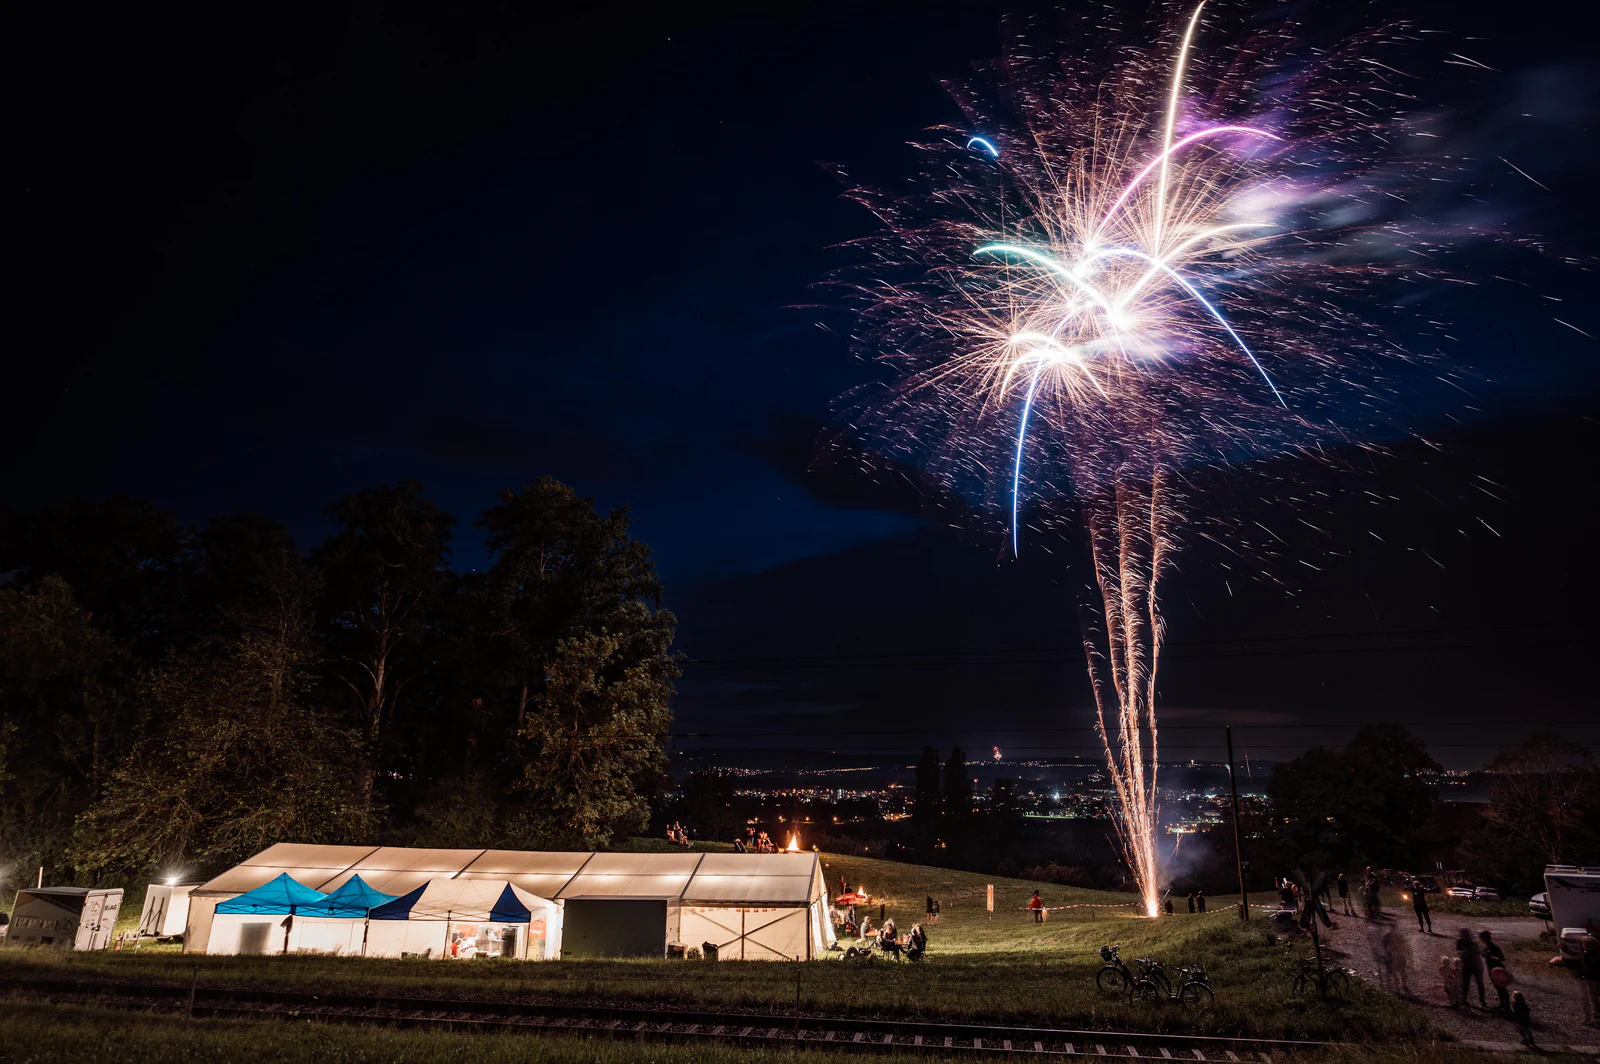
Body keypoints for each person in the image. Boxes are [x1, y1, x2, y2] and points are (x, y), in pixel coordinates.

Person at [1479, 930, 1509, 1011]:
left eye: (1481, 937)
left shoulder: (1493, 947)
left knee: (1501, 987)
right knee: (1498, 987)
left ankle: (1506, 1006)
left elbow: (1502, 958)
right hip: (1491, 968)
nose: (1480, 939)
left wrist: (1492, 958)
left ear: (1484, 937)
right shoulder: (1486, 946)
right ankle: (1503, 1004)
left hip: (1497, 969)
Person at [1456, 927, 1485, 1009]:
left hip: (1474, 965)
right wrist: (1461, 953)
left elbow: (1479, 952)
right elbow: (1458, 951)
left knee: (1477, 982)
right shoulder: (1461, 941)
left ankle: (1482, 1001)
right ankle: (1465, 1000)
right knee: (1467, 983)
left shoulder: (1472, 942)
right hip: (1469, 965)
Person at [1577, 931, 1600, 1026]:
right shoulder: (1598, 953)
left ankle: (1595, 1018)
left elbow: (1586, 968)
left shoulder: (1586, 954)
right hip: (1597, 978)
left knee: (1593, 998)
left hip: (1591, 979)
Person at [1381, 926, 1411, 994]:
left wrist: (1387, 952)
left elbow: (1384, 946)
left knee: (1394, 971)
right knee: (1402, 971)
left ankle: (1398, 985)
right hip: (1399, 955)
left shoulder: (1387, 936)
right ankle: (1403, 985)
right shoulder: (1398, 935)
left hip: (1392, 955)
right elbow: (1404, 945)